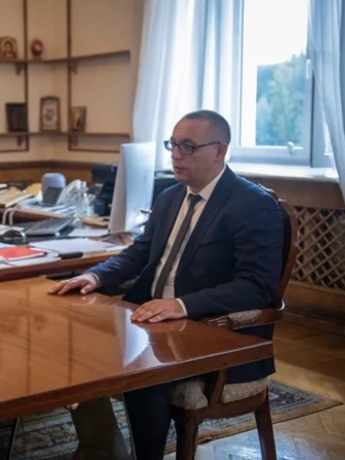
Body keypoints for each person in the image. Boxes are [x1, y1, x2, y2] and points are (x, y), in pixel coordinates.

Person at [48, 110, 284, 460]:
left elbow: (256, 286)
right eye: (172, 145)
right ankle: (105, 451)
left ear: (219, 150)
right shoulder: (170, 197)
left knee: (143, 377)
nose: (176, 155)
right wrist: (94, 276)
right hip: (153, 321)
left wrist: (182, 305)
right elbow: (139, 253)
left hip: (210, 331)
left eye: (188, 146)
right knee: (79, 347)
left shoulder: (252, 205)